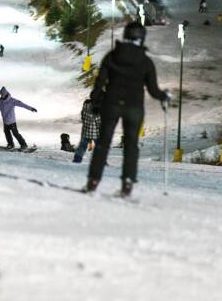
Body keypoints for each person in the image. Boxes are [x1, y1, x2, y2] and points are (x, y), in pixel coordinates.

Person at [85, 22, 169, 196]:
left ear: (125, 35)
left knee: (103, 143)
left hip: (112, 104)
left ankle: (93, 181)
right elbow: (153, 90)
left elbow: (99, 83)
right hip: (134, 106)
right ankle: (128, 182)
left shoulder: (112, 56)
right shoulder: (146, 62)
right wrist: (164, 97)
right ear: (142, 37)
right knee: (131, 145)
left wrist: (96, 101)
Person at [72, 98, 100, 163]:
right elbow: (99, 123)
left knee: (81, 148)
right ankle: (101, 161)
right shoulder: (96, 113)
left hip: (86, 133)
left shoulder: (84, 111)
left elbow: (83, 119)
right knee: (99, 148)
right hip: (96, 134)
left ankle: (77, 160)